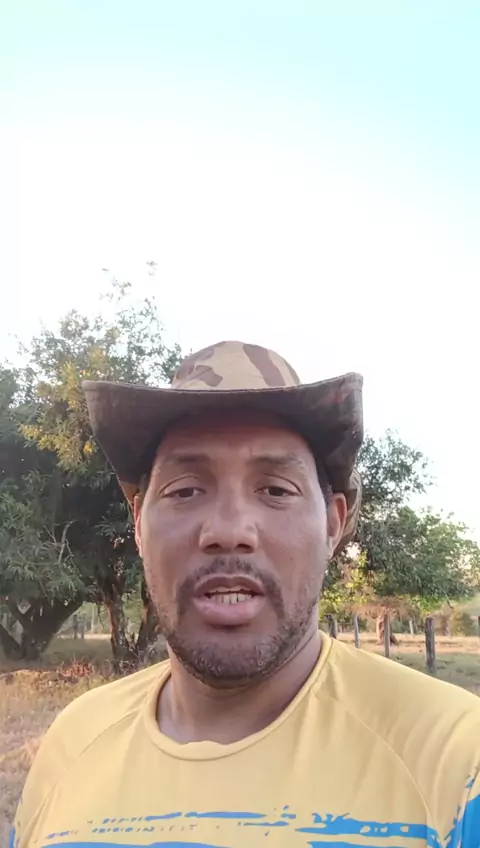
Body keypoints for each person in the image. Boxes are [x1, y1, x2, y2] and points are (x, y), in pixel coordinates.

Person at [12, 341, 480, 848]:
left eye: (276, 490)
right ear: (139, 525)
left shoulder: (455, 761)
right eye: (184, 490)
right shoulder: (74, 742)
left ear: (333, 524)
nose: (229, 530)